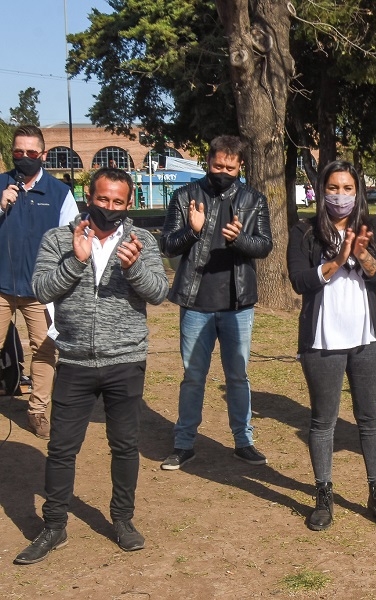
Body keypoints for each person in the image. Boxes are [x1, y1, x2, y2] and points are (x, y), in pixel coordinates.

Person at [14, 168, 168, 565]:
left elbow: (159, 293)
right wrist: (76, 261)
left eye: (118, 202)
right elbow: (41, 289)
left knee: (125, 445)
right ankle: (53, 526)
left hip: (125, 360)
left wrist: (134, 269)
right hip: (75, 360)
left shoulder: (142, 240)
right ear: (89, 197)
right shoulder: (59, 238)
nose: (109, 208)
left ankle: (123, 520)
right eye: (103, 200)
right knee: (62, 448)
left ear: (128, 203)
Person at [287, 161, 376, 531]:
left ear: (359, 191)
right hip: (323, 341)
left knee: (370, 418)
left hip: (367, 339)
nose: (340, 195)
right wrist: (336, 259)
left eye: (348, 188)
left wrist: (362, 254)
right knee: (323, 420)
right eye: (333, 188)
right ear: (321, 191)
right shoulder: (304, 232)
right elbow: (300, 282)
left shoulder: (372, 228)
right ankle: (323, 494)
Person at [159, 135, 273, 470]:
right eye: (216, 165)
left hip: (237, 304)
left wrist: (239, 239)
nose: (222, 171)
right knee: (193, 375)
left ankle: (244, 441)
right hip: (196, 301)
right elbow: (167, 245)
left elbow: (264, 245)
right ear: (207, 162)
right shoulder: (185, 196)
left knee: (237, 376)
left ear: (240, 166)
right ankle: (183, 444)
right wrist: (193, 231)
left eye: (229, 167)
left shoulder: (253, 199)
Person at [0, 125, 80, 438]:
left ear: (43, 155)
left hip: (39, 291)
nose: (23, 158)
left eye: (31, 153)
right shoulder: (1, 184)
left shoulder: (60, 193)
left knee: (45, 349)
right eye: (17, 152)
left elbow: (74, 237)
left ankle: (37, 410)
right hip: (1, 286)